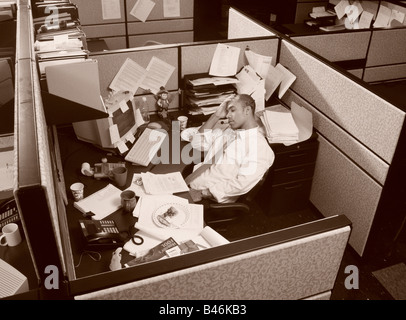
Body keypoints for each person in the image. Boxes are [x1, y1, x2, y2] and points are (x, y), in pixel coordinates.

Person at [187, 94, 274, 203]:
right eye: (227, 111)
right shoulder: (230, 131)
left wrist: (204, 193)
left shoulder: (259, 147)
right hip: (194, 181)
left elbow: (241, 184)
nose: (227, 115)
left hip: (208, 199)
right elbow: (198, 143)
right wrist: (216, 115)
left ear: (247, 110)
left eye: (232, 110)